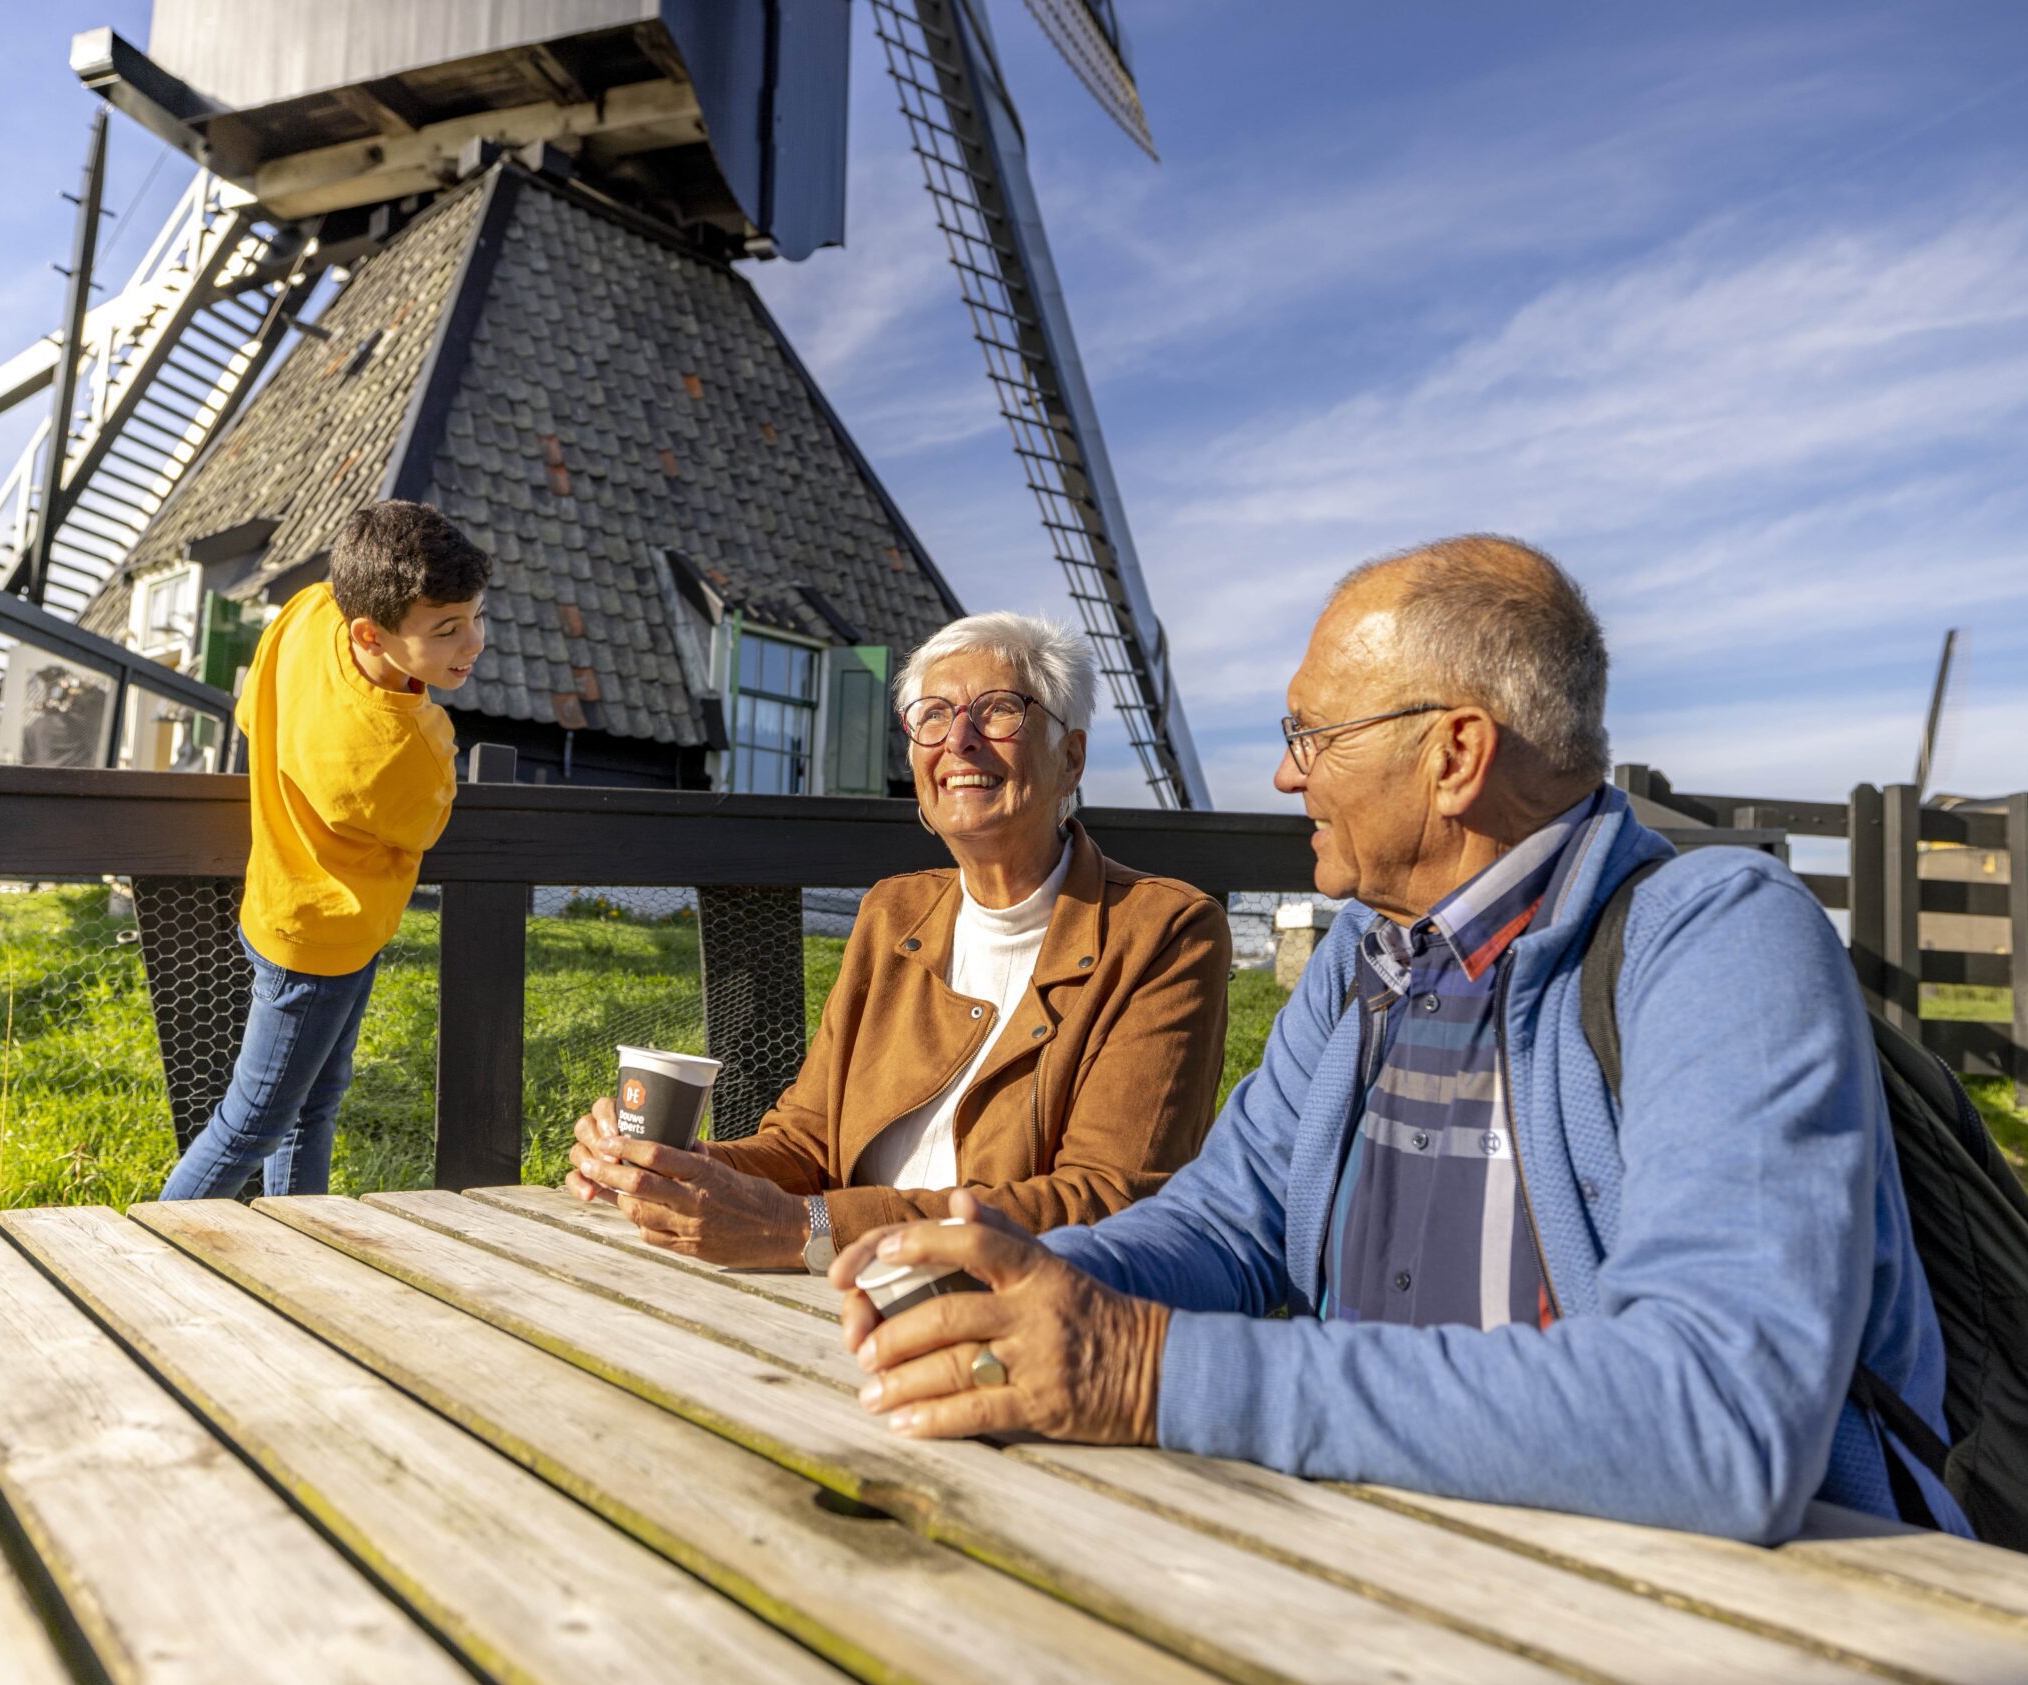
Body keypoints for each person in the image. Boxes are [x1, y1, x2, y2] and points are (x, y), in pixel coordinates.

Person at [834, 537, 1969, 1544]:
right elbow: (1233, 1222)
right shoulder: (1366, 951)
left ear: (1454, 755)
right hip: (1392, 1550)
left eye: (1311, 735)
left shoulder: (1717, 943)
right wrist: (1013, 1283)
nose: (1285, 773)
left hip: (1708, 1608)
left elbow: (1717, 1417)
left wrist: (1141, 1369)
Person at [564, 612, 1232, 1273]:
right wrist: (673, 1170)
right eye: (934, 715)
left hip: (1000, 1320)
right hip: (838, 1287)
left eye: (999, 710)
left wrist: (809, 1228)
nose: (960, 740)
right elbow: (805, 1144)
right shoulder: (894, 913)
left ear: (1071, 759)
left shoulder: (1164, 933)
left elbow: (1107, 1203)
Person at [160, 501, 488, 1199]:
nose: (474, 643)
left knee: (313, 1101)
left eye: (475, 618)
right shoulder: (407, 747)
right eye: (448, 629)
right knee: (250, 1125)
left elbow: (252, 712)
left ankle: (300, 1237)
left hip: (277, 901)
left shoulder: (311, 612)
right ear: (372, 632)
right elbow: (425, 827)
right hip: (323, 944)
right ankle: (147, 1255)